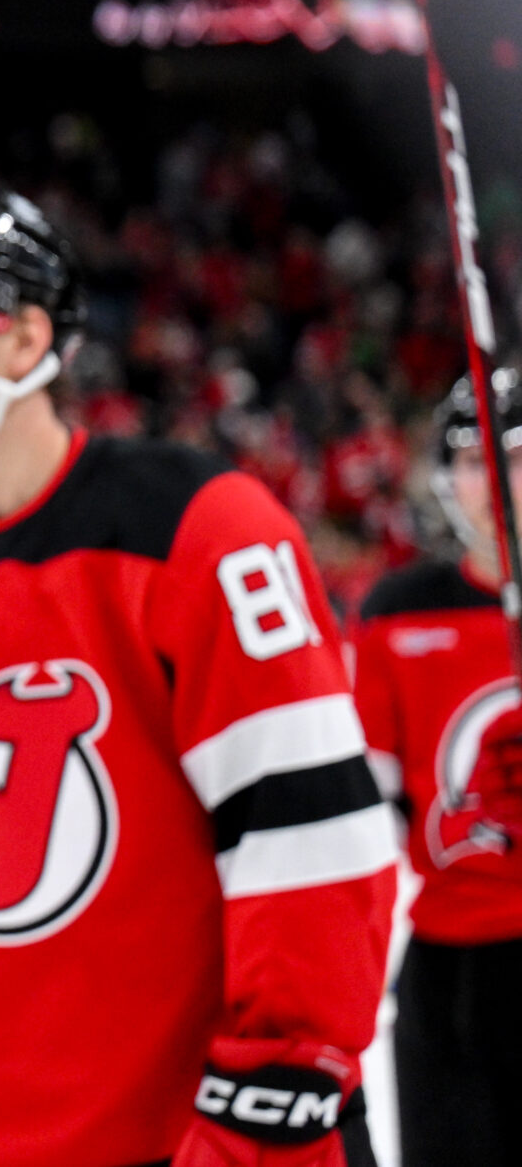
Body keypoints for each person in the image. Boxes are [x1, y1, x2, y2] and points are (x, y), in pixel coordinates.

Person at [0, 184, 394, 1167]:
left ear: (23, 340)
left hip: (204, 1144)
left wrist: (258, 1125)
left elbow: (311, 854)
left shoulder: (198, 529)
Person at [354, 369, 522, 1163]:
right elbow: (369, 801)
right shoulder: (400, 612)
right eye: (472, 458)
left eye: (513, 457)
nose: (493, 482)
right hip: (449, 971)